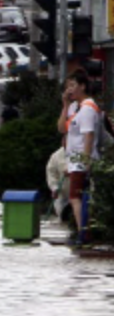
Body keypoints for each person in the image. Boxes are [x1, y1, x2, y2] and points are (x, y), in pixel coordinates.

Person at [63, 69, 102, 237]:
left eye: (73, 85)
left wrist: (85, 160)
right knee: (79, 196)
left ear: (83, 86)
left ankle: (82, 232)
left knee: (75, 197)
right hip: (73, 160)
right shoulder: (74, 107)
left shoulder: (87, 108)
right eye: (68, 86)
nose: (69, 90)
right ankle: (84, 230)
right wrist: (65, 105)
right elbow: (61, 128)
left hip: (81, 159)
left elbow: (89, 135)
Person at [46, 147, 69, 219]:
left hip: (80, 194)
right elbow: (51, 173)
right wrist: (54, 188)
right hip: (62, 194)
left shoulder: (81, 152)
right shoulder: (56, 156)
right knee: (62, 216)